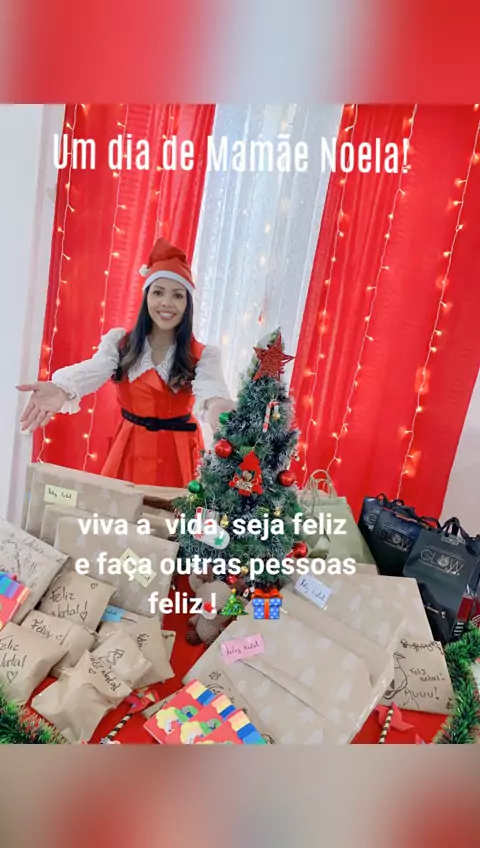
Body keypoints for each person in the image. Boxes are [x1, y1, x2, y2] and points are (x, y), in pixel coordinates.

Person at [16, 238, 234, 487]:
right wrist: (61, 388)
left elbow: (211, 392)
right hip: (130, 447)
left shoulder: (203, 355)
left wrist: (219, 409)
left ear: (188, 304)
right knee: (121, 508)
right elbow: (95, 369)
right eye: (158, 292)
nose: (166, 302)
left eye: (177, 295)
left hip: (178, 453)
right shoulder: (120, 343)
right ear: (146, 296)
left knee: (171, 511)